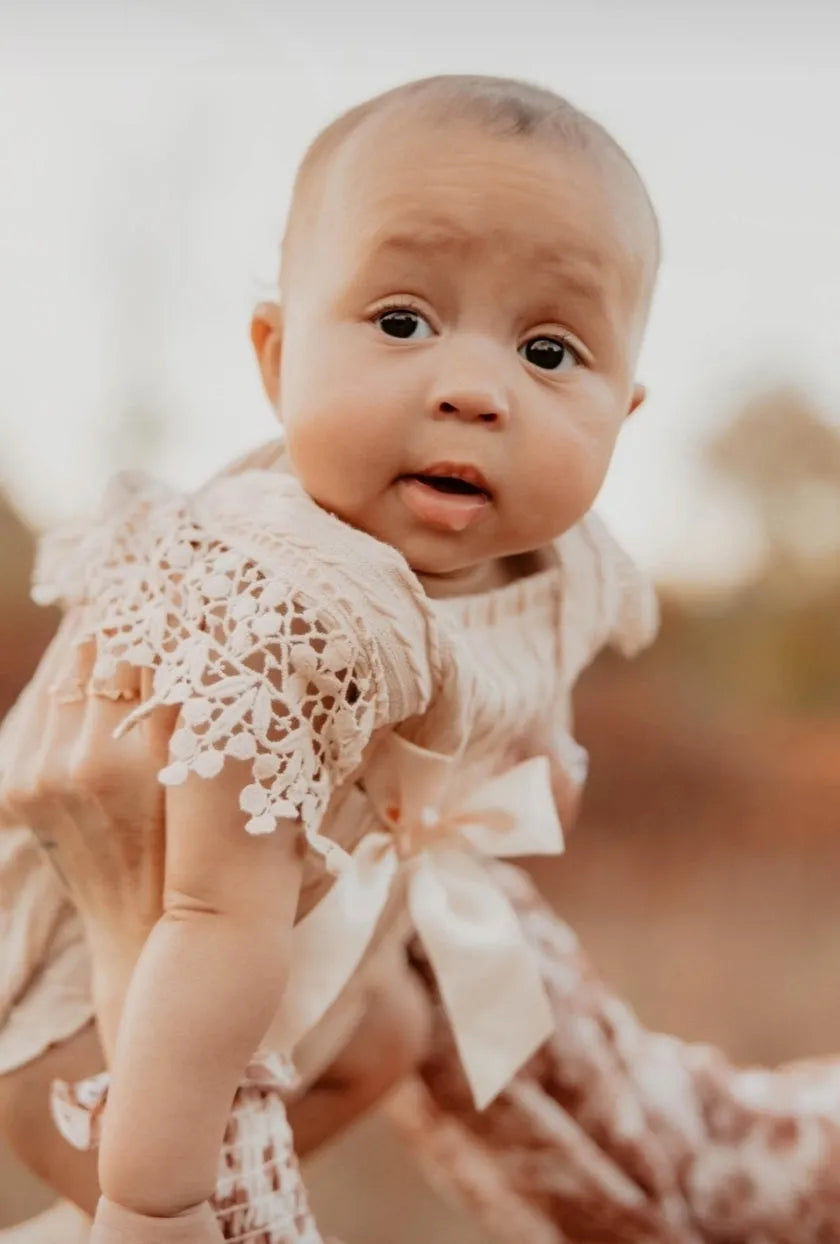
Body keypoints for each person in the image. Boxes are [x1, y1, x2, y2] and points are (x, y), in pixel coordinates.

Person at [2, 71, 811, 1244]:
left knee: (387, 1031)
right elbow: (203, 920)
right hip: (98, 1025)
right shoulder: (288, 598)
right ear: (276, 360)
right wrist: (152, 1206)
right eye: (401, 322)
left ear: (622, 418)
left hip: (314, 973)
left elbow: (528, 689)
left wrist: (540, 751)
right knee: (197, 1141)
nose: (477, 390)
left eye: (548, 348)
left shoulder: (564, 559)